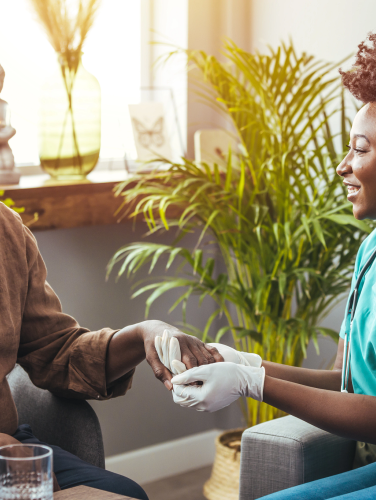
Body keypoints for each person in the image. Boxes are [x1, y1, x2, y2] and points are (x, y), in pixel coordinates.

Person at [0, 63, 224, 498]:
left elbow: (56, 351)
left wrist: (145, 333)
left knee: (128, 494)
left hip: (12, 450)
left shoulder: (7, 233)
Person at [169, 32, 376, 499]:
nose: (343, 166)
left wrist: (254, 384)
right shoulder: (370, 253)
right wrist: (246, 364)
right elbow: (344, 385)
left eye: (360, 150)